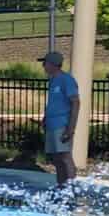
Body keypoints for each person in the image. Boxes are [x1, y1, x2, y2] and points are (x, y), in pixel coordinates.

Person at [41, 50, 80, 187]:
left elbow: (75, 102)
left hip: (62, 124)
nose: (43, 66)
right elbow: (53, 102)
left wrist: (70, 128)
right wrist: (45, 117)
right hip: (52, 124)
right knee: (57, 158)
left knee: (65, 156)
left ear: (53, 64)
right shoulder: (53, 81)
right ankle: (61, 186)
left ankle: (71, 187)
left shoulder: (66, 80)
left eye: (44, 63)